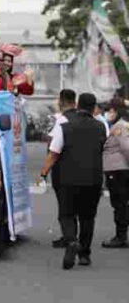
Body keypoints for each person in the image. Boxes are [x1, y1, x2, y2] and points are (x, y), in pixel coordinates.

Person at [40, 93, 107, 269]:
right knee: (88, 217)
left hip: (68, 180)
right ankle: (85, 255)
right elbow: (104, 150)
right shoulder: (101, 127)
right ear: (94, 108)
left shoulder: (65, 126)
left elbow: (54, 153)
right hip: (93, 179)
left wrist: (43, 172)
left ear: (78, 105)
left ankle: (71, 241)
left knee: (67, 214)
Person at [48, 89, 79, 248]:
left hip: (62, 168)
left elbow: (53, 148)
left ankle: (70, 237)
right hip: (81, 168)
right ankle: (72, 236)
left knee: (65, 205)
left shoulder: (60, 120)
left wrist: (44, 171)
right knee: (75, 205)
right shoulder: (83, 118)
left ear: (61, 101)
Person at [101, 104, 129, 248]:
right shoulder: (122, 125)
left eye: (110, 111)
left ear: (117, 112)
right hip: (118, 169)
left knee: (120, 204)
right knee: (121, 204)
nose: (108, 113)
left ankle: (120, 237)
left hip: (118, 171)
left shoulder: (120, 126)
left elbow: (126, 147)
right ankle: (121, 235)